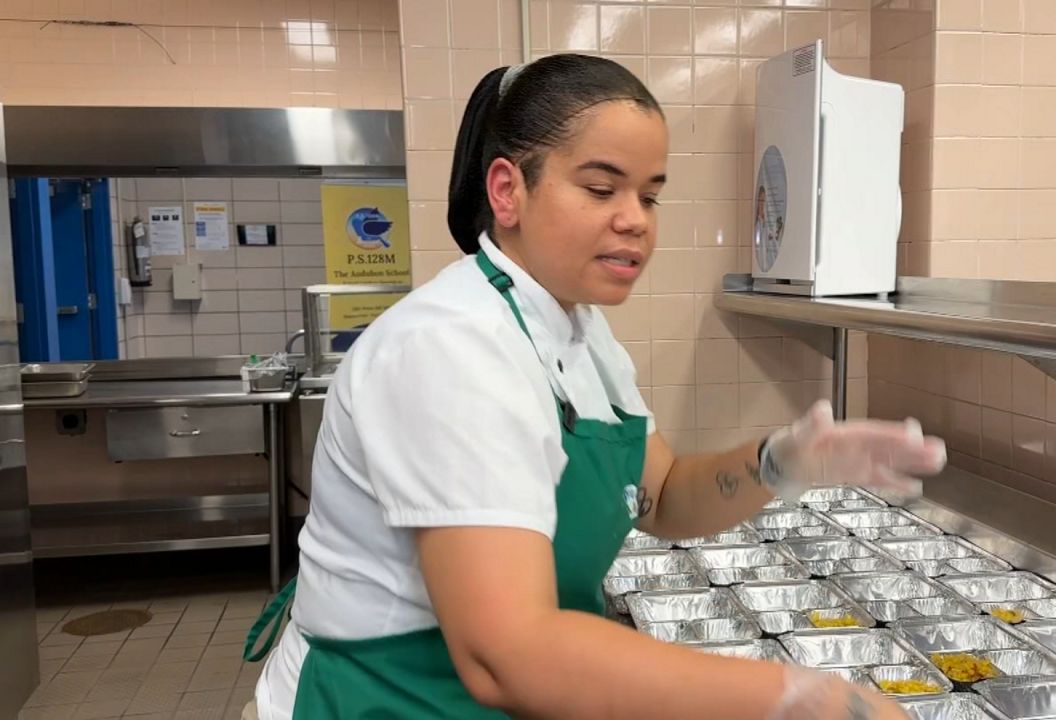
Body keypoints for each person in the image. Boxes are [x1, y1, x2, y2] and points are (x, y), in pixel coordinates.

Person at [242, 54, 947, 720]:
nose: (635, 218)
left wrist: (778, 463)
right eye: (601, 188)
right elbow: (504, 654)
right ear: (507, 190)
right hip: (386, 699)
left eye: (650, 195)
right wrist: (796, 697)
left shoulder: (578, 329)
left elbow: (664, 495)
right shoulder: (449, 349)